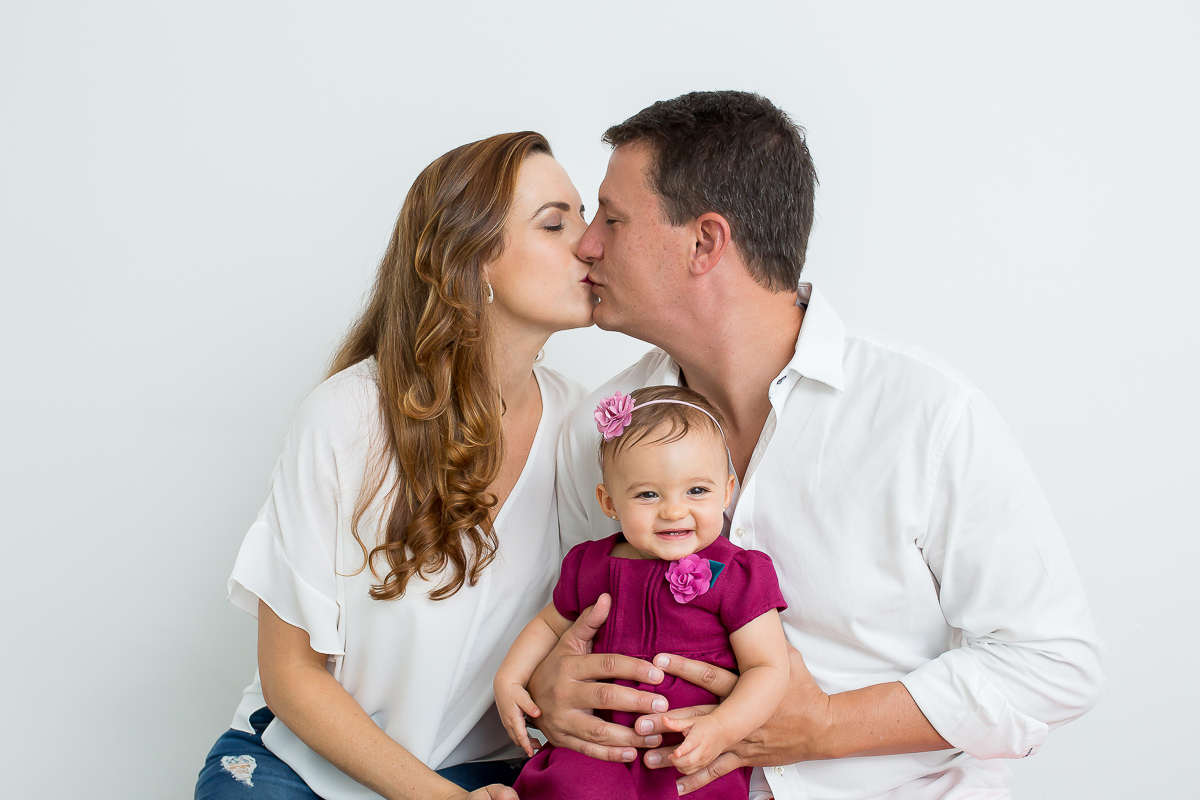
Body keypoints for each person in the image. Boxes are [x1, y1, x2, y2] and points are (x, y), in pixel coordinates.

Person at [530, 91, 1103, 799]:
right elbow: (575, 617)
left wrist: (825, 724)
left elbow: (1052, 664)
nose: (586, 244)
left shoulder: (927, 414)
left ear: (705, 242)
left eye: (611, 219)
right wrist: (549, 687)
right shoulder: (597, 427)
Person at [194, 131, 594, 800]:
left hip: (484, 774)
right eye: (556, 223)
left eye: (586, 218)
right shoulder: (347, 418)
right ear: (474, 261)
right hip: (300, 768)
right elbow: (291, 676)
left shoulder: (584, 430)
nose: (589, 243)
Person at [495, 386, 790, 799]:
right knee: (570, 786)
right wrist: (510, 678)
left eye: (697, 491)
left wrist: (722, 728)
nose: (673, 510)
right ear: (609, 500)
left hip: (690, 751)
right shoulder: (590, 564)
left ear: (726, 492)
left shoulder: (738, 574)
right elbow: (548, 624)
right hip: (601, 747)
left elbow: (768, 669)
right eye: (648, 494)